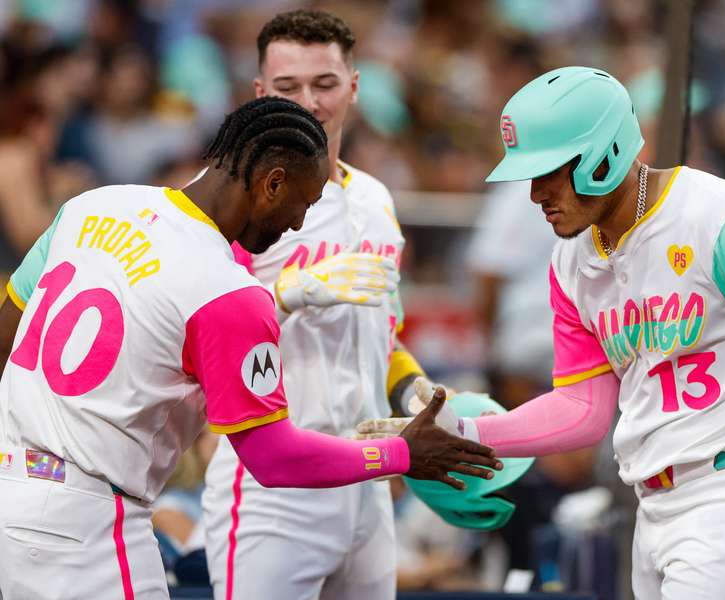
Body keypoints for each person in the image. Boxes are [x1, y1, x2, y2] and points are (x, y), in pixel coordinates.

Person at [362, 67, 725, 599]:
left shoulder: (721, 217)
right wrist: (464, 435)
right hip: (655, 506)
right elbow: (580, 408)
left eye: (548, 171)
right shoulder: (572, 258)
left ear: (604, 154)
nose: (535, 193)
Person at [0, 96, 500, 600]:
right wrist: (400, 454)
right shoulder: (229, 292)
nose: (300, 224)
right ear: (273, 182)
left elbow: (5, 333)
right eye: (304, 203)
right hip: (87, 526)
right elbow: (274, 458)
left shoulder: (91, 206)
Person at [202, 10, 455, 600]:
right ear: (260, 92)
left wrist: (410, 387)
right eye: (289, 88)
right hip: (273, 486)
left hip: (369, 484)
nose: (309, 103)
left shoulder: (376, 198)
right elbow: (197, 331)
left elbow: (381, 333)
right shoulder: (232, 199)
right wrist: (287, 294)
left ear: (355, 86)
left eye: (325, 84)